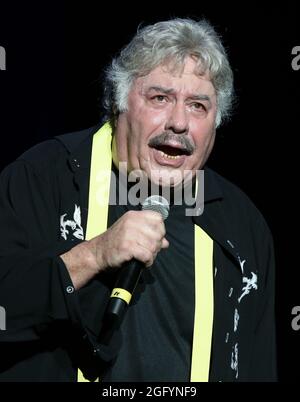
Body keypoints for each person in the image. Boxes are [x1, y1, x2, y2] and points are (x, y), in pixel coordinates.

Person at [0, 18, 276, 382]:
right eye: (160, 98)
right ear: (119, 103)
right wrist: (94, 255)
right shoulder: (43, 177)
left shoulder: (242, 227)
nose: (179, 122)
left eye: (197, 106)